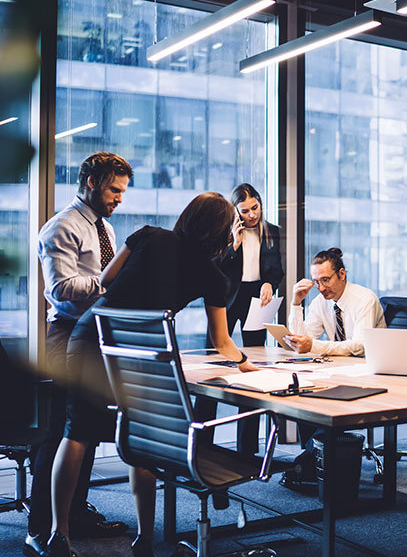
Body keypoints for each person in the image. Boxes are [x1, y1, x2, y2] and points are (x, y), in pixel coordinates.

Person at [46, 192, 259, 557]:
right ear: (223, 231)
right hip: (145, 347)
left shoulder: (149, 234)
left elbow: (107, 280)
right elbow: (221, 341)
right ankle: (144, 538)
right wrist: (245, 362)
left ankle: (58, 534)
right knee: (141, 440)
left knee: (76, 432)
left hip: (94, 332)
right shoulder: (213, 275)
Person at [26, 152, 133, 557]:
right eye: (113, 189)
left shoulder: (104, 226)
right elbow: (60, 291)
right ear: (91, 182)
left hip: (98, 335)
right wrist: (110, 284)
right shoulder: (61, 227)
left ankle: (74, 513)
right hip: (67, 336)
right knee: (59, 434)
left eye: (122, 191)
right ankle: (40, 529)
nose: (119, 198)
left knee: (85, 428)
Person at [281, 247, 386, 489]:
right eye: (316, 281)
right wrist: (296, 304)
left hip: (370, 371)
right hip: (341, 369)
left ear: (342, 274)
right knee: (304, 396)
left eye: (325, 280)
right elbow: (302, 339)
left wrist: (314, 345)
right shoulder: (321, 302)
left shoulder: (364, 299)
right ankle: (314, 462)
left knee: (321, 403)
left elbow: (360, 346)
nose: (320, 287)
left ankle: (307, 462)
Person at [214, 183, 284, 454]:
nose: (252, 215)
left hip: (258, 299)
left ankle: (247, 446)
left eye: (255, 208)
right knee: (216, 360)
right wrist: (234, 244)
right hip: (230, 298)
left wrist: (270, 283)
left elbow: (276, 270)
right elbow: (217, 267)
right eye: (245, 211)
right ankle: (204, 439)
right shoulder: (225, 231)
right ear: (235, 210)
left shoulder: (272, 232)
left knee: (253, 365)